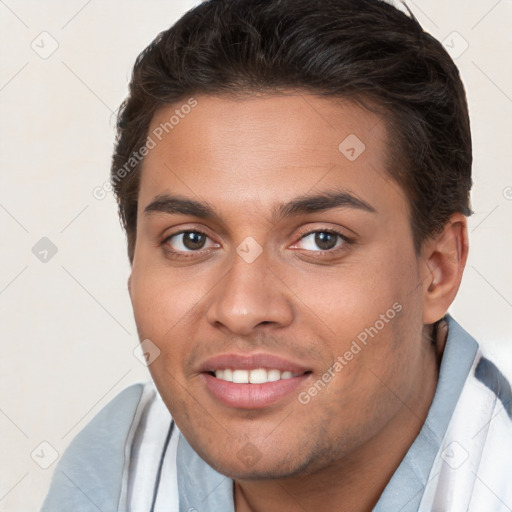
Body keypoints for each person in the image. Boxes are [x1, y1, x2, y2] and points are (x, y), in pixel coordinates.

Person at [41, 0, 512, 510]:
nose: (242, 309)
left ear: (438, 270)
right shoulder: (114, 474)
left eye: (322, 240)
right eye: (191, 239)